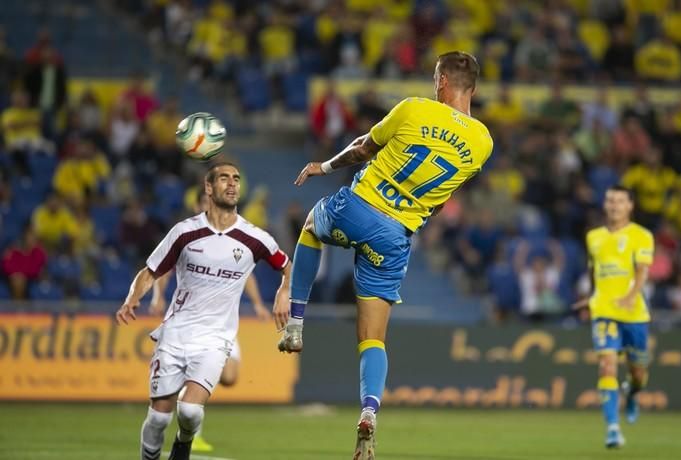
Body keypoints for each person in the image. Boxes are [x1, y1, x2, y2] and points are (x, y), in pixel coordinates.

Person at [275, 51, 493, 459]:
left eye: (435, 77)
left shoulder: (413, 109)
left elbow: (362, 148)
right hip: (395, 236)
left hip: (360, 207)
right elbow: (443, 196)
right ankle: (369, 412)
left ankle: (296, 324)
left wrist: (325, 165)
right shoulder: (482, 142)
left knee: (310, 226)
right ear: (474, 89)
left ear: (441, 81)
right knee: (373, 337)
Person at [115, 162, 291, 460]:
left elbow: (287, 266)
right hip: (175, 334)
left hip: (215, 338)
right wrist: (132, 298)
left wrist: (283, 293)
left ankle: (183, 444)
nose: (232, 183)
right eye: (224, 178)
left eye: (236, 178)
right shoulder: (184, 232)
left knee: (190, 411)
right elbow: (151, 270)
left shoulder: (255, 238)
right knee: (158, 420)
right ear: (209, 188)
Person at [148, 189, 272, 454]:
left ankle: (189, 402)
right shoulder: (186, 236)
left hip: (220, 327)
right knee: (184, 403)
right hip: (187, 327)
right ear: (197, 205)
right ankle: (190, 430)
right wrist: (157, 297)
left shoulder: (234, 239)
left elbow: (247, 274)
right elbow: (162, 271)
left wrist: (259, 304)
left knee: (230, 377)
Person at [574, 185, 654, 449]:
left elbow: (642, 272)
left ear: (630, 206)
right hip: (604, 311)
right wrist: (591, 296)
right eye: (610, 200)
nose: (614, 205)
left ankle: (632, 392)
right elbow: (594, 271)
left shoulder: (642, 236)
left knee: (638, 373)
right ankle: (612, 429)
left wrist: (631, 297)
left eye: (620, 201)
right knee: (607, 366)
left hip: (634, 314)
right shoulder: (594, 237)